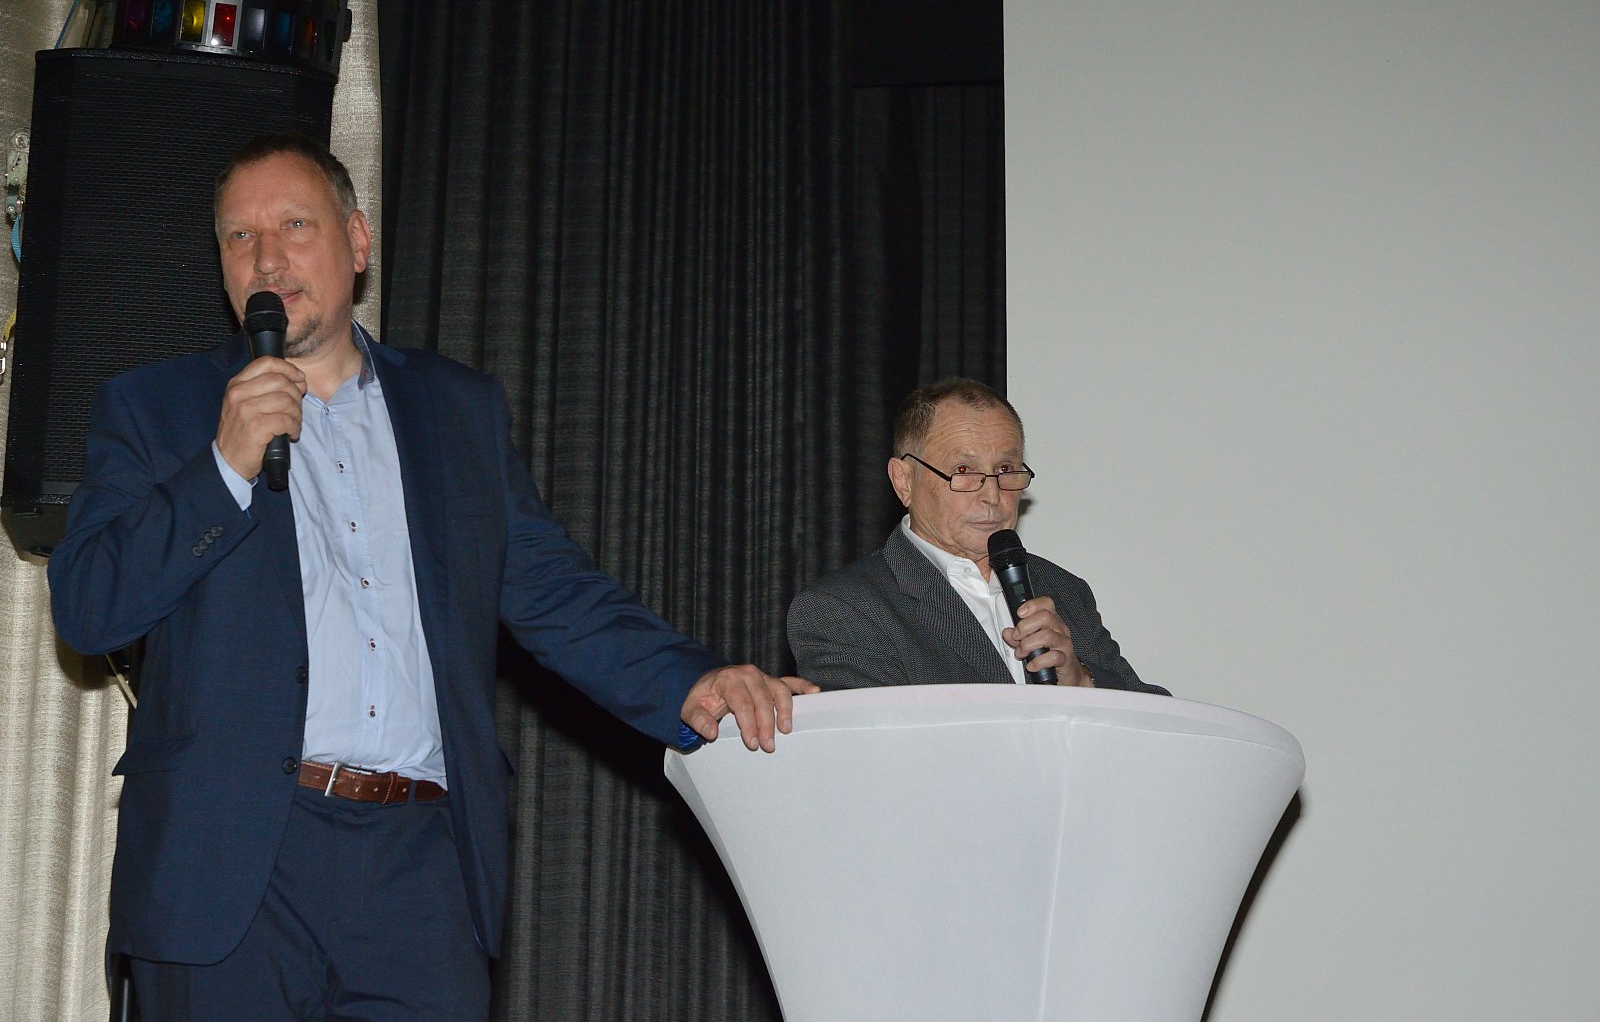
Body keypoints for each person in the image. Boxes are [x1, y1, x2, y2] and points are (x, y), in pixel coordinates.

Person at [46, 132, 815, 1021]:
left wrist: (691, 682)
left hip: (421, 871)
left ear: (357, 240)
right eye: (239, 236)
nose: (267, 258)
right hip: (233, 869)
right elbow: (90, 606)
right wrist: (221, 469)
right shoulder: (156, 407)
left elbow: (555, 593)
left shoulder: (457, 411)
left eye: (295, 225)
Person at [788, 377, 1166, 694]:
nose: (992, 495)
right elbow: (877, 746)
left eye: (1005, 468)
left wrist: (1081, 681)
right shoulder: (844, 608)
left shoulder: (1063, 590)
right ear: (904, 481)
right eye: (963, 470)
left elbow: (1157, 719)